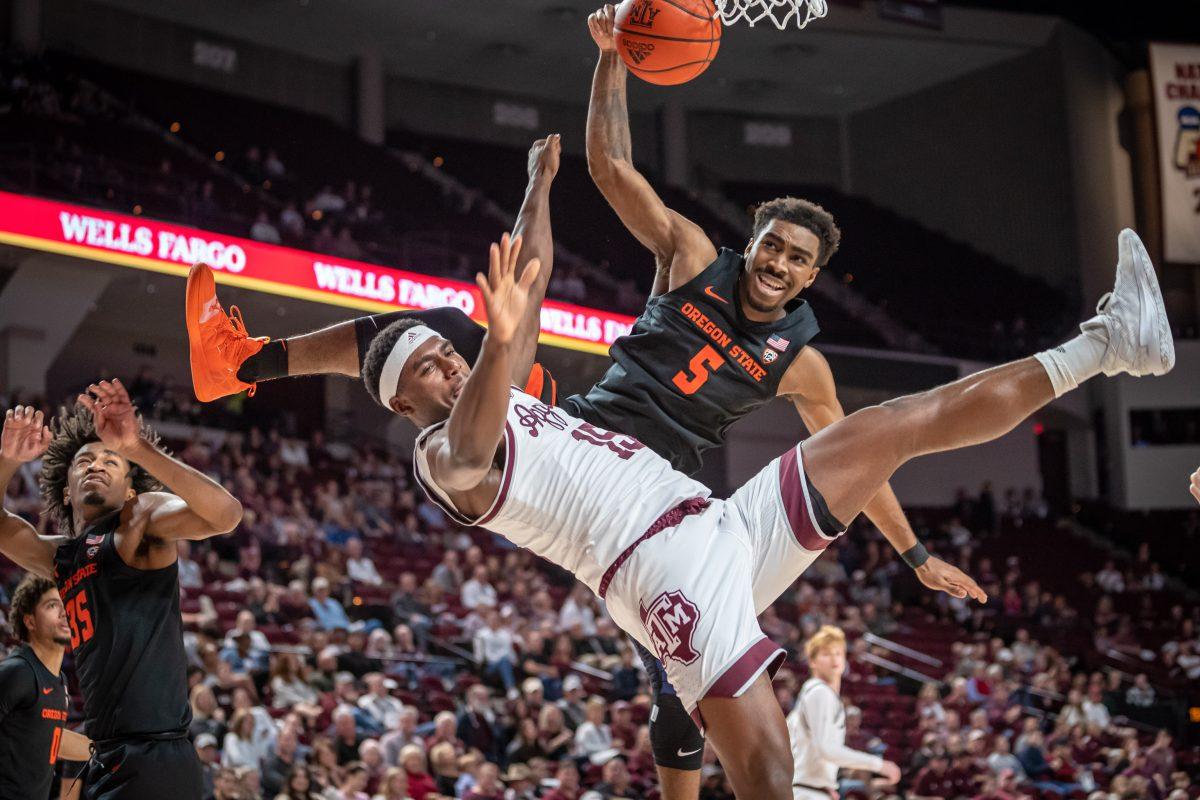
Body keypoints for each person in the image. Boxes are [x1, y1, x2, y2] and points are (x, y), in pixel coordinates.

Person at [183, 135, 976, 800]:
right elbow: (610, 167)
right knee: (433, 331)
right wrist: (609, 63)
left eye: (795, 257)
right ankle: (243, 362)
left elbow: (868, 453)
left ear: (808, 277)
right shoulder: (693, 261)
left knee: (676, 670)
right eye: (771, 244)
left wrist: (913, 553)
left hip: (652, 483)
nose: (776, 261)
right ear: (754, 245)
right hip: (584, 430)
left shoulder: (797, 364)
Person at [370, 219, 1171, 800]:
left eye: (451, 352)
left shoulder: (498, 388)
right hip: (660, 572)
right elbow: (473, 452)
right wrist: (497, 342)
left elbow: (532, 275)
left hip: (718, 521)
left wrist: (541, 190)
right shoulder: (440, 455)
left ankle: (1110, 342)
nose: (452, 363)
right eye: (433, 367)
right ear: (403, 399)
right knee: (769, 775)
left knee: (893, 424)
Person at [0, 383, 244, 800]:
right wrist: (7, 460)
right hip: (107, 756)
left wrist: (138, 447)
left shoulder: (139, 519)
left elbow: (226, 515)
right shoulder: (60, 557)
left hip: (156, 754)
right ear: (66, 489)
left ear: (130, 489)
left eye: (112, 460)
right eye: (84, 461)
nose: (97, 464)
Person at [0, 573, 92, 800]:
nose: (65, 612)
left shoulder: (59, 679)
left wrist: (106, 750)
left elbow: (50, 737)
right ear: (29, 621)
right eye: (52, 605)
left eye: (65, 604)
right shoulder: (17, 672)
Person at [786, 626, 900, 798]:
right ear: (812, 661)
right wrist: (879, 765)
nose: (834, 659)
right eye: (826, 654)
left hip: (809, 790)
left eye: (838, 653)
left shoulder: (810, 694)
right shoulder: (820, 693)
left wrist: (825, 785)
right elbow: (827, 749)